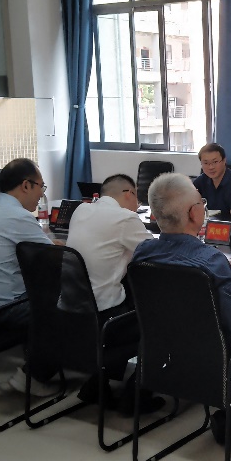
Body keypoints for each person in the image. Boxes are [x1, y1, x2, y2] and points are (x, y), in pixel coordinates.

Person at [130, 173, 231, 447]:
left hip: (164, 356)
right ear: (193, 213)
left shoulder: (143, 252)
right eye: (201, 202)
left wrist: (218, 265)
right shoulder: (210, 261)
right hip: (215, 360)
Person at [67, 174, 161, 413]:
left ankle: (96, 384)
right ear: (129, 194)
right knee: (162, 322)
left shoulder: (81, 210)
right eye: (137, 199)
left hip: (73, 316)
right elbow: (156, 253)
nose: (137, 205)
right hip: (104, 319)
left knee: (127, 297)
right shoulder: (125, 218)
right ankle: (136, 395)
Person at [0, 158, 59, 396]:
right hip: (5, 308)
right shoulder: (17, 217)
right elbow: (57, 255)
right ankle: (34, 376)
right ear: (26, 185)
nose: (42, 194)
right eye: (41, 187)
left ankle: (39, 357)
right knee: (66, 303)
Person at [192, 142, 231, 213]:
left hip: (230, 220)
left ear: (224, 161)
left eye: (215, 162)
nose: (211, 167)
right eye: (206, 163)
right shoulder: (200, 181)